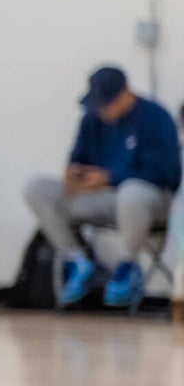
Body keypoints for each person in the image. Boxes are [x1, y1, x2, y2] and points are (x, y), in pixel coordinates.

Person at [25, 65, 179, 310]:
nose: (103, 111)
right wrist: (74, 175)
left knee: (131, 193)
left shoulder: (155, 117)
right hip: (102, 199)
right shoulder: (92, 118)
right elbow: (78, 157)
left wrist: (110, 178)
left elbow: (167, 174)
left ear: (126, 92)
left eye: (109, 103)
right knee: (37, 188)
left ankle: (128, 266)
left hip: (148, 201)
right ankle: (78, 261)